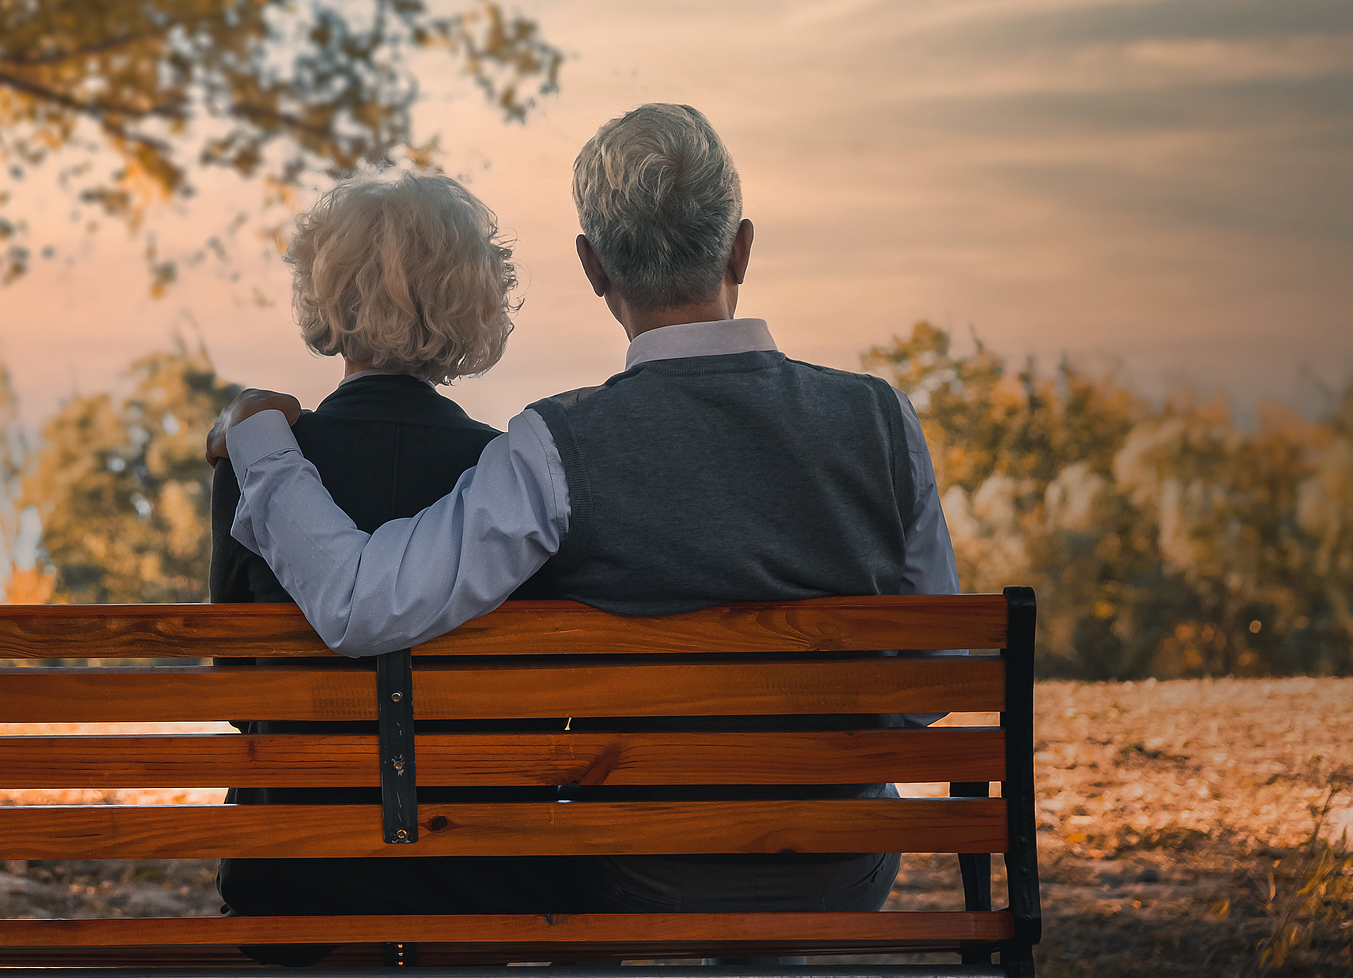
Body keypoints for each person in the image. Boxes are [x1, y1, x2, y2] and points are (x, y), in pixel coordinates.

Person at [209, 102, 960, 921]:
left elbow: (364, 603)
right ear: (742, 245)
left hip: (645, 871)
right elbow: (927, 683)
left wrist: (259, 444)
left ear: (593, 266)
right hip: (840, 859)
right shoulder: (882, 419)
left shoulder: (559, 446)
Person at [206, 168, 586, 934]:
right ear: (473, 302)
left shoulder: (258, 466)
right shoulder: (511, 479)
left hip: (293, 885)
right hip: (486, 885)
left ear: (325, 295)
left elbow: (240, 697)